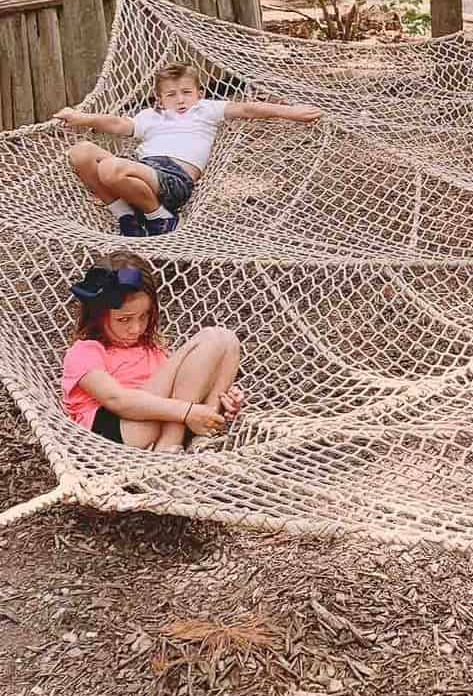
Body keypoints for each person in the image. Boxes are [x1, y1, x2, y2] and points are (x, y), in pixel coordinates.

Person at [56, 61, 321, 237]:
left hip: (174, 178)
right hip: (142, 168)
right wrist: (79, 117)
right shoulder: (149, 116)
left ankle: (161, 218)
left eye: (186, 92)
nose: (180, 100)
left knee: (111, 168)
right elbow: (115, 122)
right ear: (159, 99)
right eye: (171, 95)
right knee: (81, 153)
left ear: (199, 93)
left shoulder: (206, 110)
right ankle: (126, 218)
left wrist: (292, 112)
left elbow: (248, 108)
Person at [61, 250, 243, 451]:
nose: (136, 328)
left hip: (157, 427)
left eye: (144, 316)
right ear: (97, 316)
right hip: (115, 435)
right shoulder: (84, 352)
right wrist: (189, 411)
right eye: (124, 319)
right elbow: (117, 400)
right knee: (212, 337)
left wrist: (221, 398)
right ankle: (169, 446)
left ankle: (206, 431)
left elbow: (184, 390)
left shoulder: (152, 351)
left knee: (229, 340)